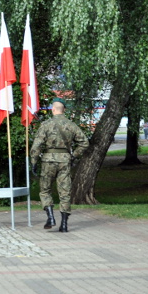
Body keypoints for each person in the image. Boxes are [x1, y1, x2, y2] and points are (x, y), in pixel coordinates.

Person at [31, 98, 89, 232]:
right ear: (64, 110)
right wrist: (74, 155)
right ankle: (64, 225)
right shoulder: (71, 125)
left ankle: (51, 217)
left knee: (45, 190)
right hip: (65, 161)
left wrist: (34, 161)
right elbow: (84, 142)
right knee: (65, 192)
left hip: (48, 161)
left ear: (53, 109)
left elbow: (37, 145)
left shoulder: (46, 124)